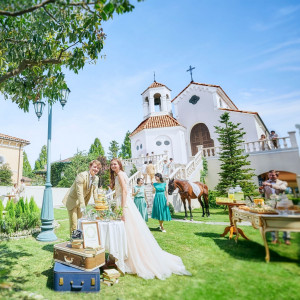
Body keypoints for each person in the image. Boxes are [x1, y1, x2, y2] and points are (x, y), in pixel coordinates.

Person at [110, 158, 190, 279]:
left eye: (115, 164)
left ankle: (129, 257)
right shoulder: (120, 175)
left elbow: (125, 191)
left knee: (127, 230)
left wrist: (122, 209)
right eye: (111, 165)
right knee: (127, 230)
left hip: (124, 203)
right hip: (123, 202)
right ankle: (123, 255)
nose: (112, 166)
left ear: (119, 165)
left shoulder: (120, 174)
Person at [63, 160, 101, 234]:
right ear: (90, 166)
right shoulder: (81, 175)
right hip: (73, 201)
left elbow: (95, 192)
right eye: (94, 167)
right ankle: (73, 242)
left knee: (80, 222)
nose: (96, 169)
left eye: (98, 168)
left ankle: (79, 240)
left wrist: (98, 205)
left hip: (82, 202)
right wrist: (83, 206)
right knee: (74, 224)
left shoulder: (96, 178)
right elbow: (79, 192)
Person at [260, 170, 290, 245]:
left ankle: (286, 239)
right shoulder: (266, 182)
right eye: (270, 175)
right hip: (270, 205)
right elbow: (262, 192)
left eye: (273, 175)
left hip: (281, 204)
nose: (271, 177)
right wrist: (261, 189)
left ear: (277, 175)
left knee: (284, 221)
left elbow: (282, 188)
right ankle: (274, 238)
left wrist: (270, 185)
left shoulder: (283, 182)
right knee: (272, 221)